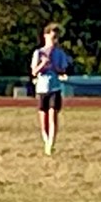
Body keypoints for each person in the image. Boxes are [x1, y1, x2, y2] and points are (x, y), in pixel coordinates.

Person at [31, 23, 73, 155]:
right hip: (42, 88)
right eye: (52, 37)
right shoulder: (38, 53)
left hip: (55, 87)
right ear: (45, 36)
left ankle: (51, 144)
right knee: (43, 119)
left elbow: (63, 70)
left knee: (53, 115)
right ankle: (45, 140)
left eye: (56, 38)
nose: (54, 40)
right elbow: (34, 72)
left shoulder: (60, 53)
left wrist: (54, 66)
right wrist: (43, 64)